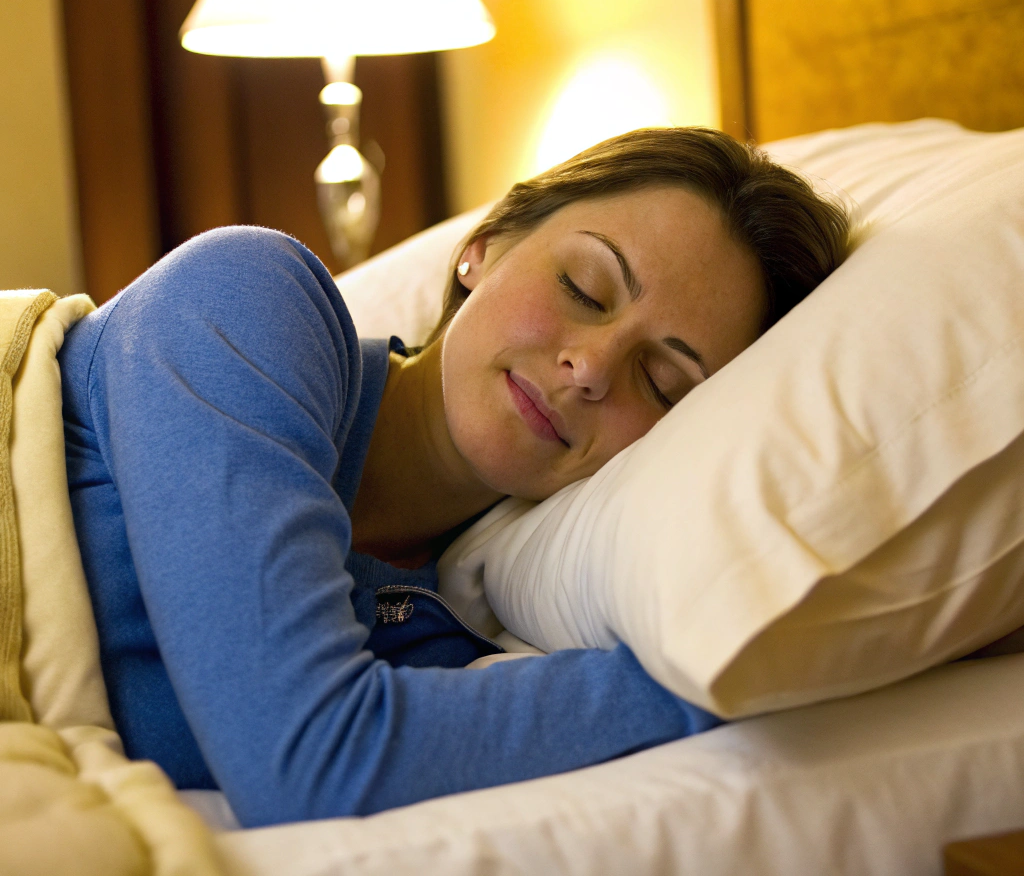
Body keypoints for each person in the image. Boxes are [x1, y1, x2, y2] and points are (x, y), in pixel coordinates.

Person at [60, 127, 849, 828]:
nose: (592, 367)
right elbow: (311, 759)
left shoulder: (454, 629)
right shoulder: (246, 300)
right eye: (585, 288)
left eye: (664, 383)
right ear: (484, 246)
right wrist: (731, 674)